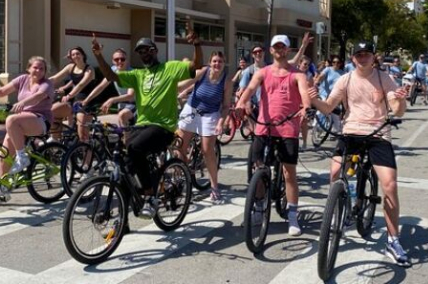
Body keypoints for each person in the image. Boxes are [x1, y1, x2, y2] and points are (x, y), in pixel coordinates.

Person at [308, 40, 411, 267]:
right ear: (353, 58)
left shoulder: (384, 78)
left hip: (378, 134)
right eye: (359, 55)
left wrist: (401, 100)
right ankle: (339, 208)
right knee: (335, 172)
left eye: (367, 54)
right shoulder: (345, 80)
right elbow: (327, 107)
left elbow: (397, 110)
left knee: (390, 185)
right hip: (351, 132)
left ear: (373, 57)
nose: (363, 57)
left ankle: (393, 240)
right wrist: (314, 98)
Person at [91, 31, 203, 219]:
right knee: (126, 166)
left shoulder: (170, 67)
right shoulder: (138, 74)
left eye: (148, 50)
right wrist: (98, 55)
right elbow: (111, 75)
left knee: (134, 148)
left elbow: (196, 65)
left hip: (163, 127)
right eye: (141, 52)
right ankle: (122, 220)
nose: (144, 54)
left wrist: (197, 45)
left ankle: (150, 196)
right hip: (142, 125)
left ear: (155, 50)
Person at [236, 34, 311, 236]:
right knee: (258, 169)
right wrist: (242, 102)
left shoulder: (297, 74)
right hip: (264, 128)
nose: (279, 50)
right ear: (271, 50)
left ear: (288, 50)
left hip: (288, 129)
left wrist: (306, 107)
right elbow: (250, 88)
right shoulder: (263, 72)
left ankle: (293, 216)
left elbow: (304, 93)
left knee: (289, 173)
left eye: (283, 47)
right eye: (276, 47)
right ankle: (259, 208)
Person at [0, 56, 54, 206]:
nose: (39, 71)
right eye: (35, 67)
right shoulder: (22, 79)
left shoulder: (46, 84)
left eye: (42, 68)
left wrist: (22, 102)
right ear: (29, 68)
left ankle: (22, 157)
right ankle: (2, 193)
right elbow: (3, 90)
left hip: (41, 120)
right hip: (21, 122)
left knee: (11, 119)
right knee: (3, 157)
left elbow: (38, 97)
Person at [177, 51, 233, 202]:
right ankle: (183, 175)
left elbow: (226, 106)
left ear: (224, 64)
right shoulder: (202, 72)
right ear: (210, 62)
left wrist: (221, 122)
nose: (217, 64)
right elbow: (186, 84)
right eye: (214, 61)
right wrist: (171, 88)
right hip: (192, 109)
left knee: (208, 150)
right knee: (179, 147)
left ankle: (214, 187)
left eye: (220, 61)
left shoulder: (227, 82)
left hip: (210, 114)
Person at [49, 46, 95, 142]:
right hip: (72, 99)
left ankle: (87, 153)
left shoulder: (89, 69)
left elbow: (81, 85)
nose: (75, 56)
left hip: (86, 100)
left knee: (83, 134)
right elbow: (55, 78)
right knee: (53, 111)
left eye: (78, 53)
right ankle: (56, 141)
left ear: (83, 55)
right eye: (73, 54)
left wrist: (69, 95)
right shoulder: (70, 67)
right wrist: (40, 83)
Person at [81, 48, 135, 127]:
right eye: (116, 59)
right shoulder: (113, 71)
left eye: (122, 59)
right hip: (122, 105)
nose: (119, 61)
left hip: (135, 105)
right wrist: (86, 100)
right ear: (113, 61)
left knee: (123, 116)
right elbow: (101, 86)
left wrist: (112, 99)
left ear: (127, 60)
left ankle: (127, 139)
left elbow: (130, 96)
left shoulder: (132, 74)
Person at [297, 55, 314, 152]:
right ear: (299, 63)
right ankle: (294, 141)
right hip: (294, 101)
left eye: (308, 65)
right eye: (305, 64)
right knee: (295, 123)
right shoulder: (293, 73)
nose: (306, 66)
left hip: (304, 102)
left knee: (303, 123)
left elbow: (311, 89)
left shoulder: (309, 75)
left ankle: (304, 143)